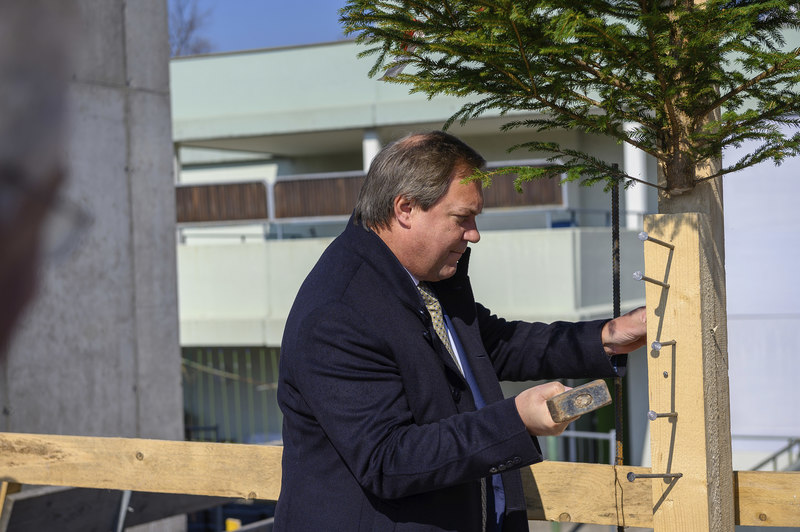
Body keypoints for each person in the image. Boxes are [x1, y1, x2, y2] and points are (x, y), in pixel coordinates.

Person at [275, 131, 646, 531]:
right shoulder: (338, 312)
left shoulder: (421, 276)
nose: (474, 234)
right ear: (405, 208)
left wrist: (607, 336)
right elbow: (388, 460)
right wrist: (516, 420)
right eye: (461, 218)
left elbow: (495, 345)